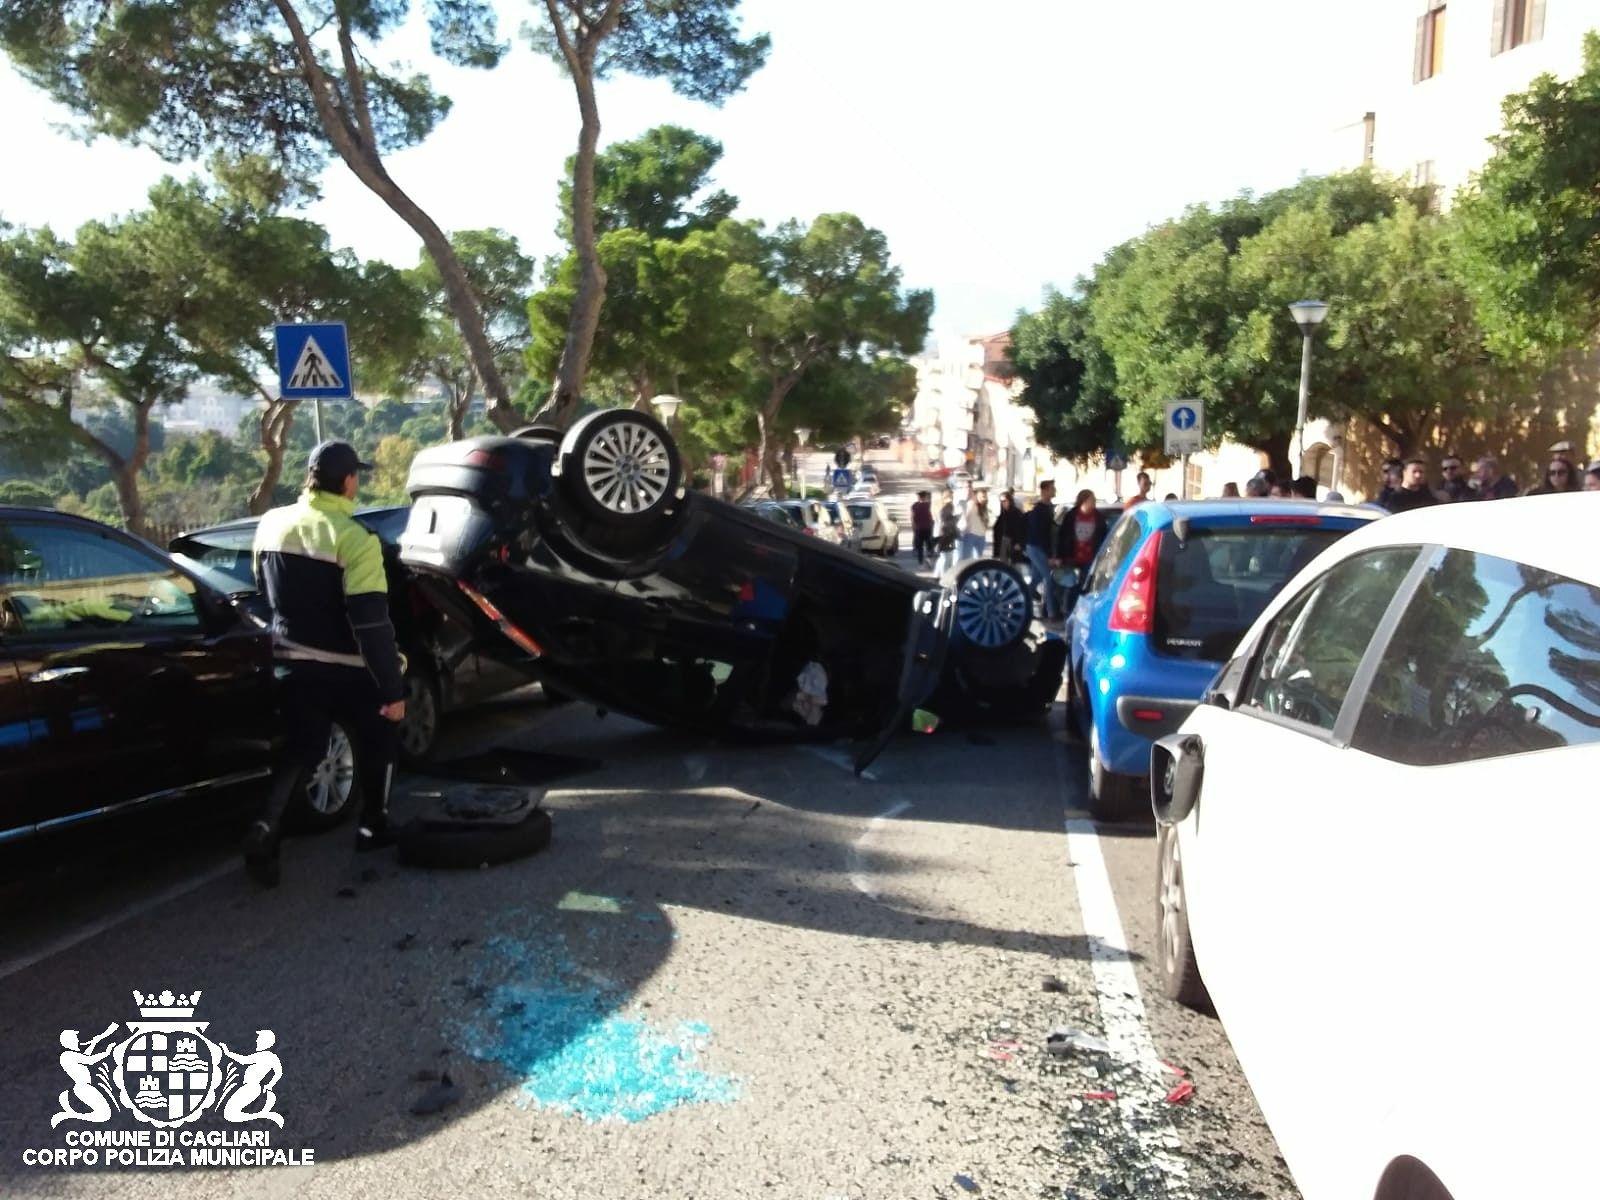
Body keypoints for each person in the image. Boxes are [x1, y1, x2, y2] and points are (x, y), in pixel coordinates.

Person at [243, 440, 406, 888]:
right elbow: (371, 624)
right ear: (349, 481)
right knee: (381, 734)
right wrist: (393, 690)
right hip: (348, 667)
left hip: (291, 660)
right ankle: (375, 825)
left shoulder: (271, 524)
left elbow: (262, 587)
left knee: (303, 749)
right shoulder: (356, 539)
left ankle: (265, 831)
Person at [1056, 489, 1107, 595]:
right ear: (1084, 501)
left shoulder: (1098, 517)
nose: (1094, 502)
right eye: (1092, 499)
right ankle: (1066, 608)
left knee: (1086, 584)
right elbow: (1063, 536)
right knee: (1069, 586)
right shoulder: (1071, 516)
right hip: (1071, 556)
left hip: (1090, 557)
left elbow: (1103, 535)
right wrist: (1060, 556)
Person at [1023, 480, 1060, 621]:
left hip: (1037, 547)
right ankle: (1051, 613)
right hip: (1036, 547)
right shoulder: (1039, 510)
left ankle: (1022, 602)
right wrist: (1050, 555)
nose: (1054, 490)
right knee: (1049, 579)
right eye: (1052, 488)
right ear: (1044, 491)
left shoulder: (1049, 508)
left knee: (1036, 579)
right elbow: (1041, 535)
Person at [992, 489, 1027, 563]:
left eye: (1004, 501)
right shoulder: (1002, 515)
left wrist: (1020, 543)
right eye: (1001, 501)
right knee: (1003, 566)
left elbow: (1023, 529)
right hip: (1003, 543)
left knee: (1015, 566)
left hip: (1014, 543)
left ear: (1009, 501)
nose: (1003, 503)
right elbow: (997, 532)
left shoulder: (1017, 513)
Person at [935, 487, 961, 575]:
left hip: (944, 533)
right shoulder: (947, 507)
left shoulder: (942, 506)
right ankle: (944, 576)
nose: (953, 498)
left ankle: (938, 575)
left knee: (944, 557)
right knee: (946, 557)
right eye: (952, 496)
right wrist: (956, 518)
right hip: (946, 533)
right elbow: (945, 522)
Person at [961, 486, 990, 561]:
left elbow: (986, 521)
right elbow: (965, 516)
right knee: (966, 559)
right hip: (970, 534)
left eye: (985, 496)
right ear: (976, 496)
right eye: (983, 496)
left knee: (978, 560)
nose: (985, 498)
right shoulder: (971, 504)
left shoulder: (984, 508)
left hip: (981, 536)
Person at [910, 490, 935, 567]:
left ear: (919, 497)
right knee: (929, 546)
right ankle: (929, 560)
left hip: (919, 529)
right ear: (925, 497)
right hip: (928, 529)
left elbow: (913, 518)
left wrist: (914, 527)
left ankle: (921, 563)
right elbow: (933, 517)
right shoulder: (929, 506)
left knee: (920, 547)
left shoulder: (915, 506)